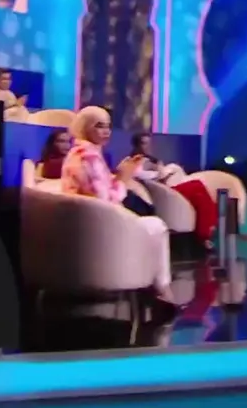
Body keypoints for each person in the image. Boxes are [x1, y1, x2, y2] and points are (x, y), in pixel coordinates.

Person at [61, 106, 178, 309]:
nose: (106, 131)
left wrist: (122, 175)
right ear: (85, 127)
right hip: (98, 226)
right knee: (157, 226)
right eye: (99, 126)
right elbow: (105, 201)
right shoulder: (88, 157)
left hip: (91, 221)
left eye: (108, 126)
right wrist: (123, 177)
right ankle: (162, 290)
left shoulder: (81, 153)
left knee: (151, 224)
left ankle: (156, 288)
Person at [129, 133, 218, 248]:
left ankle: (205, 234)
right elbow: (139, 174)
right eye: (144, 143)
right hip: (166, 191)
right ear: (137, 145)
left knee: (200, 196)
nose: (148, 146)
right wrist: (159, 174)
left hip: (170, 186)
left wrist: (161, 170)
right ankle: (208, 231)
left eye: (149, 143)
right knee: (197, 185)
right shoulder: (135, 160)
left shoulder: (152, 159)